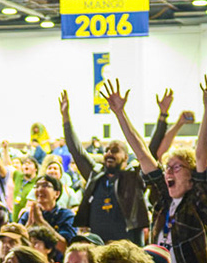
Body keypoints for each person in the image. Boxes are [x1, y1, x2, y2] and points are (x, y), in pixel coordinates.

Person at [104, 75, 207, 263]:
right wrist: (120, 114)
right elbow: (142, 154)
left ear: (191, 178)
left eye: (176, 167)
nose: (168, 173)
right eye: (167, 167)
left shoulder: (200, 205)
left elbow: (202, 155)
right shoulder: (164, 201)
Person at [59, 90, 147, 242]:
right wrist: (66, 118)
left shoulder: (134, 177)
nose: (109, 153)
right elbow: (77, 151)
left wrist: (121, 114)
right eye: (106, 150)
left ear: (126, 157)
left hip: (128, 247)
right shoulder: (96, 175)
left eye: (115, 150)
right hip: (100, 247)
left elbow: (146, 153)